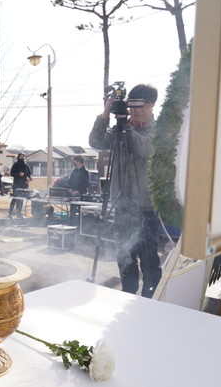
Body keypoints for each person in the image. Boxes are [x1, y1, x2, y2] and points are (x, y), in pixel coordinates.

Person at [89, 84, 161, 298]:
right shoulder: (122, 127)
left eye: (140, 105)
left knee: (148, 257)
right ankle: (127, 294)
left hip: (146, 205)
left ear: (151, 104)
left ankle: (152, 299)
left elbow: (146, 148)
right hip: (121, 202)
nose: (135, 110)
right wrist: (105, 115)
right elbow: (95, 142)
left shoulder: (158, 129)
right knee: (124, 254)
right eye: (131, 105)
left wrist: (126, 127)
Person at [9, 153, 32, 218]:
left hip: (24, 185)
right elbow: (11, 173)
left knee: (21, 199)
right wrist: (18, 174)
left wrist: (29, 179)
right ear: (18, 157)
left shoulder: (26, 165)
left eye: (23, 157)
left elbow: (29, 174)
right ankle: (10, 213)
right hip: (16, 185)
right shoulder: (15, 164)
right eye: (21, 156)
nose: (22, 158)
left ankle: (19, 214)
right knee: (14, 199)